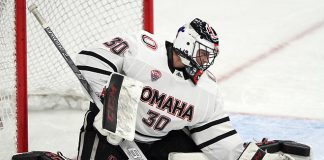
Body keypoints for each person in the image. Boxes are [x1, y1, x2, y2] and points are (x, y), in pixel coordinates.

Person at [75, 18, 295, 160]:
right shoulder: (142, 48)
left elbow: (220, 141)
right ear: (187, 43)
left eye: (209, 56)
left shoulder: (207, 90)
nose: (206, 61)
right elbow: (88, 60)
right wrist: (113, 106)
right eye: (203, 53)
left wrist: (253, 158)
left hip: (159, 142)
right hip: (107, 134)